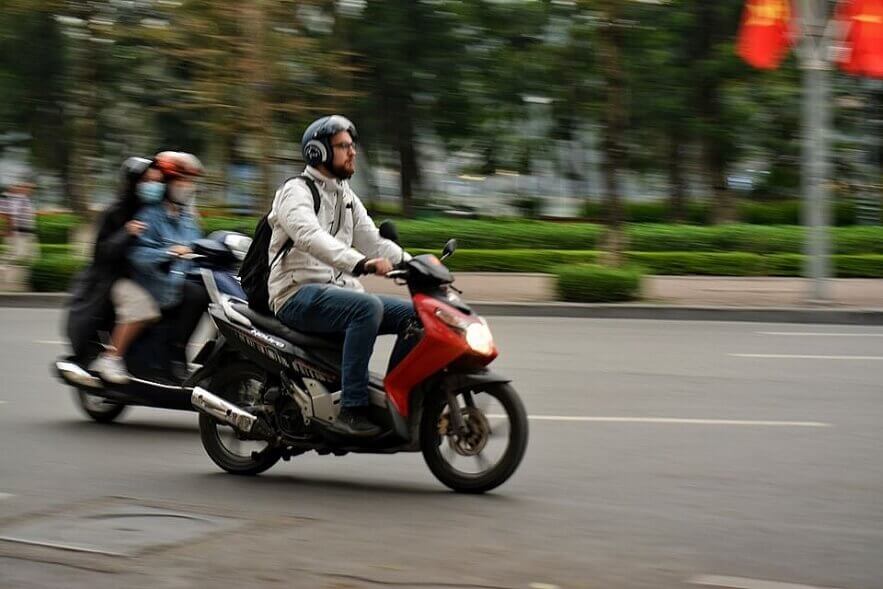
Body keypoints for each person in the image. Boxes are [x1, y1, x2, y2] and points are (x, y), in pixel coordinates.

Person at [268, 115, 414, 437]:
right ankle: (352, 408)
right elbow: (310, 237)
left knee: (414, 316)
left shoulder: (345, 195)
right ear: (318, 152)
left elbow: (373, 240)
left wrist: (416, 266)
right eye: (343, 146)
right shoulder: (295, 191)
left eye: (352, 146)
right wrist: (361, 263)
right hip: (295, 294)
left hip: (334, 291)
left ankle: (395, 399)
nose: (353, 152)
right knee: (367, 308)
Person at [67, 157, 164, 383]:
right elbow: (101, 253)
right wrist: (126, 233)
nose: (154, 187)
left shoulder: (157, 211)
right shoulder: (116, 211)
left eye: (158, 181)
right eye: (148, 181)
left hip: (148, 276)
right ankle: (111, 358)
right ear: (133, 183)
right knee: (141, 307)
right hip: (114, 278)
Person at [128, 151, 206, 380]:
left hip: (178, 281)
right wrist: (169, 252)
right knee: (195, 294)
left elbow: (198, 249)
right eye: (181, 181)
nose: (187, 187)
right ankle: (176, 353)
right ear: (167, 185)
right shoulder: (149, 216)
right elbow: (138, 255)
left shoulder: (188, 219)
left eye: (190, 181)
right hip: (155, 285)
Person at [1, 174, 38, 264]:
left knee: (30, 257)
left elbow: (27, 214)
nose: (30, 190)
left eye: (31, 188)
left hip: (27, 232)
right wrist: (10, 230)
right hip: (19, 233)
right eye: (27, 187)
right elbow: (10, 215)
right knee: (16, 256)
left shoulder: (24, 199)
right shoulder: (14, 198)